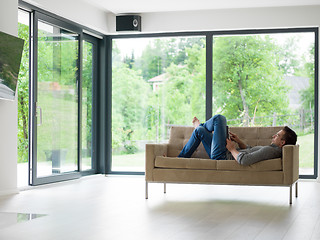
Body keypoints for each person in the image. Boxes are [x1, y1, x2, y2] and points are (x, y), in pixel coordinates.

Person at [178, 114, 297, 166]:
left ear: (282, 143)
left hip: (224, 156)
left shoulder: (270, 151)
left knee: (219, 119)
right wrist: (239, 141)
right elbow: (250, 151)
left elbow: (244, 160)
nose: (273, 136)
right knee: (200, 132)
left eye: (277, 135)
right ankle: (179, 159)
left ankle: (200, 125)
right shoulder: (271, 149)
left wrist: (232, 148)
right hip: (223, 154)